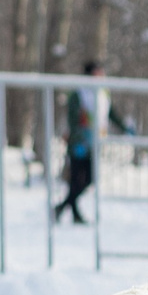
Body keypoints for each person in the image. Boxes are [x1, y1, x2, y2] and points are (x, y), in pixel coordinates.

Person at [55, 60, 128, 226]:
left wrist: (124, 127)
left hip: (95, 142)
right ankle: (72, 212)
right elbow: (72, 119)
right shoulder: (78, 94)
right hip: (78, 143)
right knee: (76, 179)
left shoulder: (103, 93)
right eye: (98, 72)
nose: (102, 75)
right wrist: (78, 136)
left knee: (89, 178)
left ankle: (63, 207)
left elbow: (110, 114)